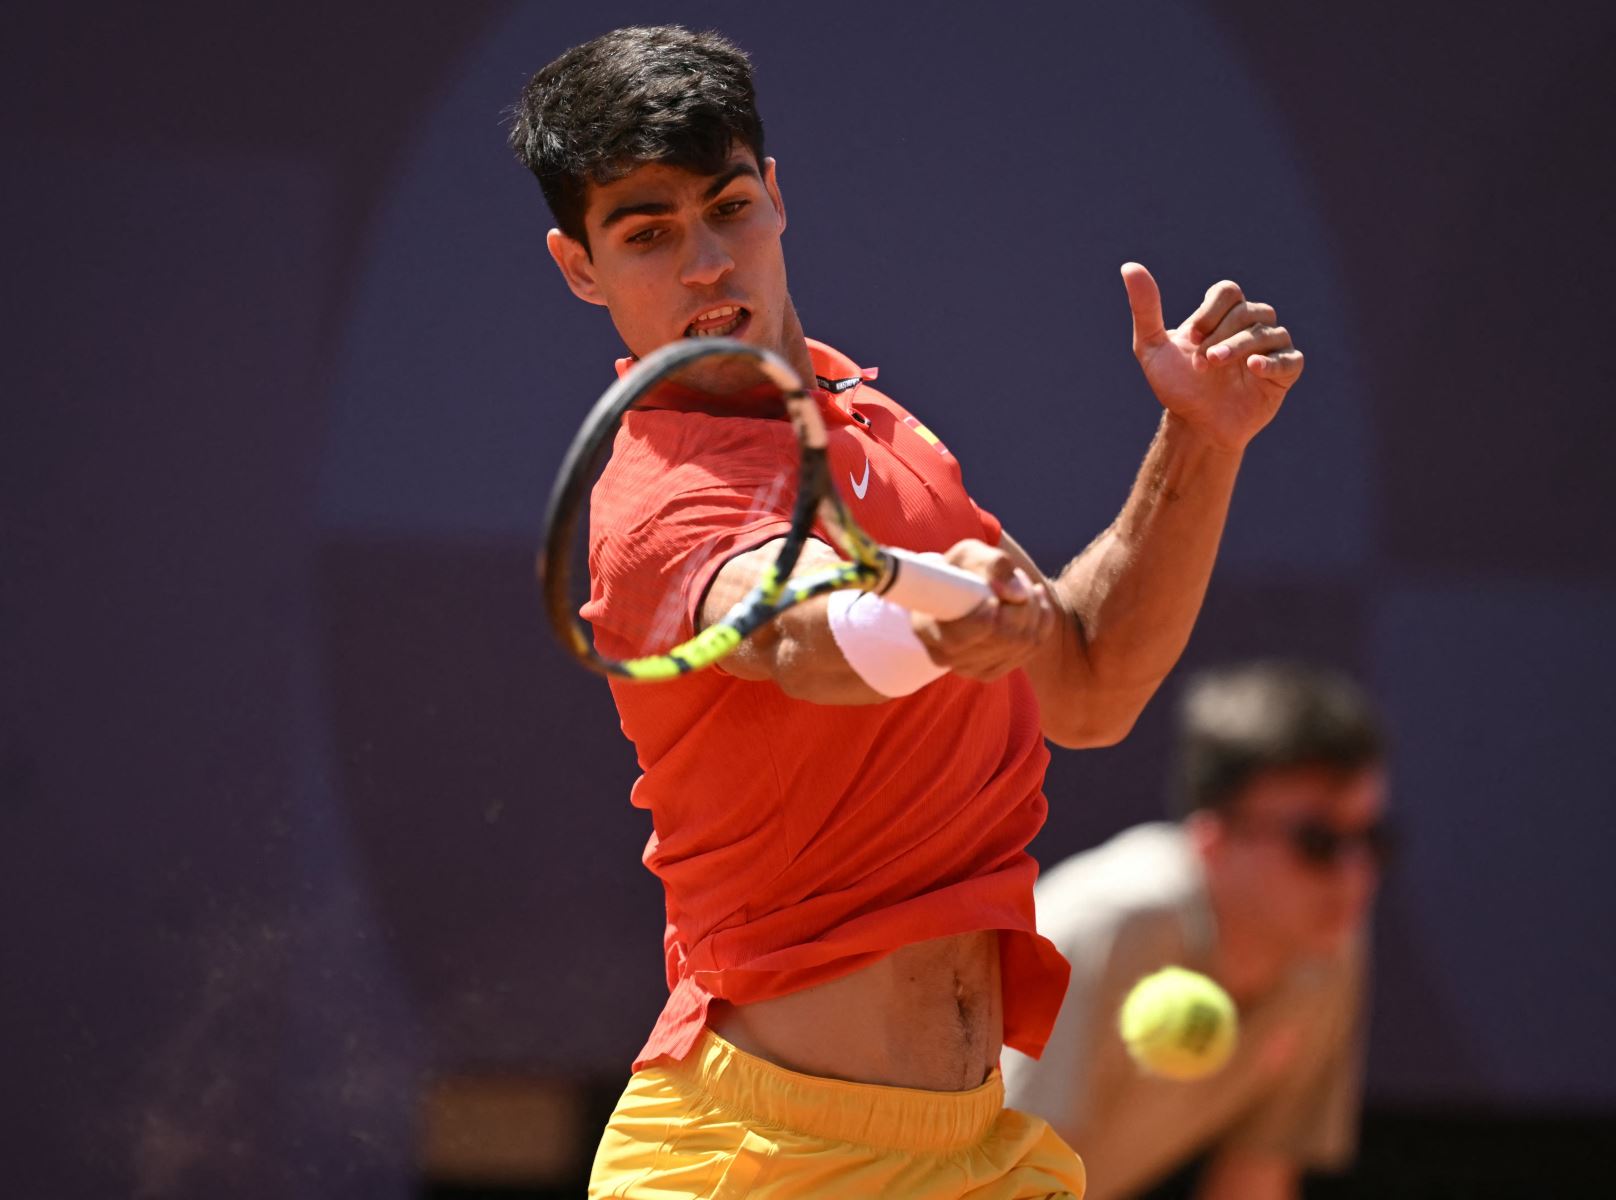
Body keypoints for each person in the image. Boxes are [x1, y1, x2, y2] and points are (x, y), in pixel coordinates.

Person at [508, 25, 1306, 1199]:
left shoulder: (875, 426)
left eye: (728, 209)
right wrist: (925, 631)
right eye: (648, 233)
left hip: (975, 1153)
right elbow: (794, 637)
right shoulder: (656, 511)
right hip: (759, 1163)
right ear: (580, 266)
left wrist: (1203, 439)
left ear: (777, 199)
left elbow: (1086, 682)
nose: (706, 265)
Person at [999, 662, 1389, 1200]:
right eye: (1317, 842)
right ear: (1213, 839)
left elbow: (1256, 1178)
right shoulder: (1107, 929)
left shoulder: (1327, 949)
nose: (1354, 876)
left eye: (1371, 839)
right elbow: (1006, 1184)